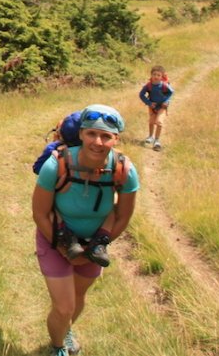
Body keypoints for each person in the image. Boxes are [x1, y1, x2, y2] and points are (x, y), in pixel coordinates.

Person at [32, 105, 139, 356]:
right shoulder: (56, 165)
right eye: (91, 134)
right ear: (81, 134)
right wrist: (63, 248)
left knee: (78, 296)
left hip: (94, 243)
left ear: (116, 139)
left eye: (106, 136)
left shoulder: (124, 170)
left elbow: (123, 215)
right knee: (64, 306)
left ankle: (66, 330)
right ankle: (57, 348)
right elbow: (39, 213)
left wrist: (97, 246)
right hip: (54, 238)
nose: (97, 142)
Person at [138, 65, 174, 151]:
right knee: (151, 121)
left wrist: (167, 102)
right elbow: (141, 95)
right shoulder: (148, 85)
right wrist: (149, 103)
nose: (156, 77)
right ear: (151, 75)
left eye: (158, 75)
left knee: (159, 122)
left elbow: (171, 92)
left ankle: (157, 140)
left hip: (162, 106)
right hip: (152, 106)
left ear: (162, 77)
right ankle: (150, 137)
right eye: (154, 74)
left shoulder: (164, 85)